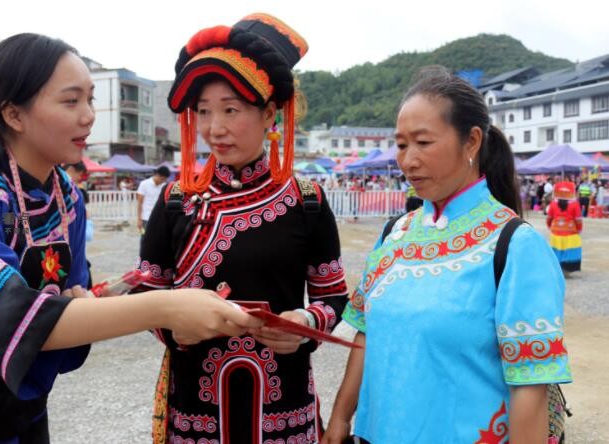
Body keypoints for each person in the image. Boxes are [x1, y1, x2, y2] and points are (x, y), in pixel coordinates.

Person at [0, 33, 262, 444]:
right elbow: (7, 317)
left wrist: (82, 308)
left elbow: (73, 300)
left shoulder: (67, 196)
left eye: (91, 99)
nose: (89, 115)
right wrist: (163, 307)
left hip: (22, 401)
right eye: (71, 100)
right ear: (14, 114)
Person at [323, 67, 571, 444]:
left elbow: (530, 386)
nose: (407, 161)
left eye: (423, 142)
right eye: (402, 145)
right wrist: (341, 418)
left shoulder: (516, 246)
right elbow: (365, 334)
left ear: (471, 142)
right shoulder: (395, 233)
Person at [139, 13, 348, 443]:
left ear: (269, 113)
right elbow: (147, 291)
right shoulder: (175, 200)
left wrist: (304, 324)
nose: (215, 128)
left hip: (283, 411)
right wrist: (173, 327)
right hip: (196, 413)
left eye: (231, 110)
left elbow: (332, 296)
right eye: (204, 112)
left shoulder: (306, 200)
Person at [546, 181, 583, 273]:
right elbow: (578, 220)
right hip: (571, 233)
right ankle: (567, 269)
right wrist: (579, 229)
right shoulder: (575, 204)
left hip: (556, 233)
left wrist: (551, 227)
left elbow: (549, 218)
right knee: (569, 251)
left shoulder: (553, 204)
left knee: (557, 250)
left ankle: (557, 268)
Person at [136, 166, 170, 255]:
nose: (163, 181)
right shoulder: (144, 184)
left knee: (158, 240)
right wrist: (139, 219)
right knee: (145, 240)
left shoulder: (164, 186)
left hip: (159, 218)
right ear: (158, 175)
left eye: (165, 180)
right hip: (146, 218)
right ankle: (143, 259)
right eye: (162, 179)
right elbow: (139, 203)